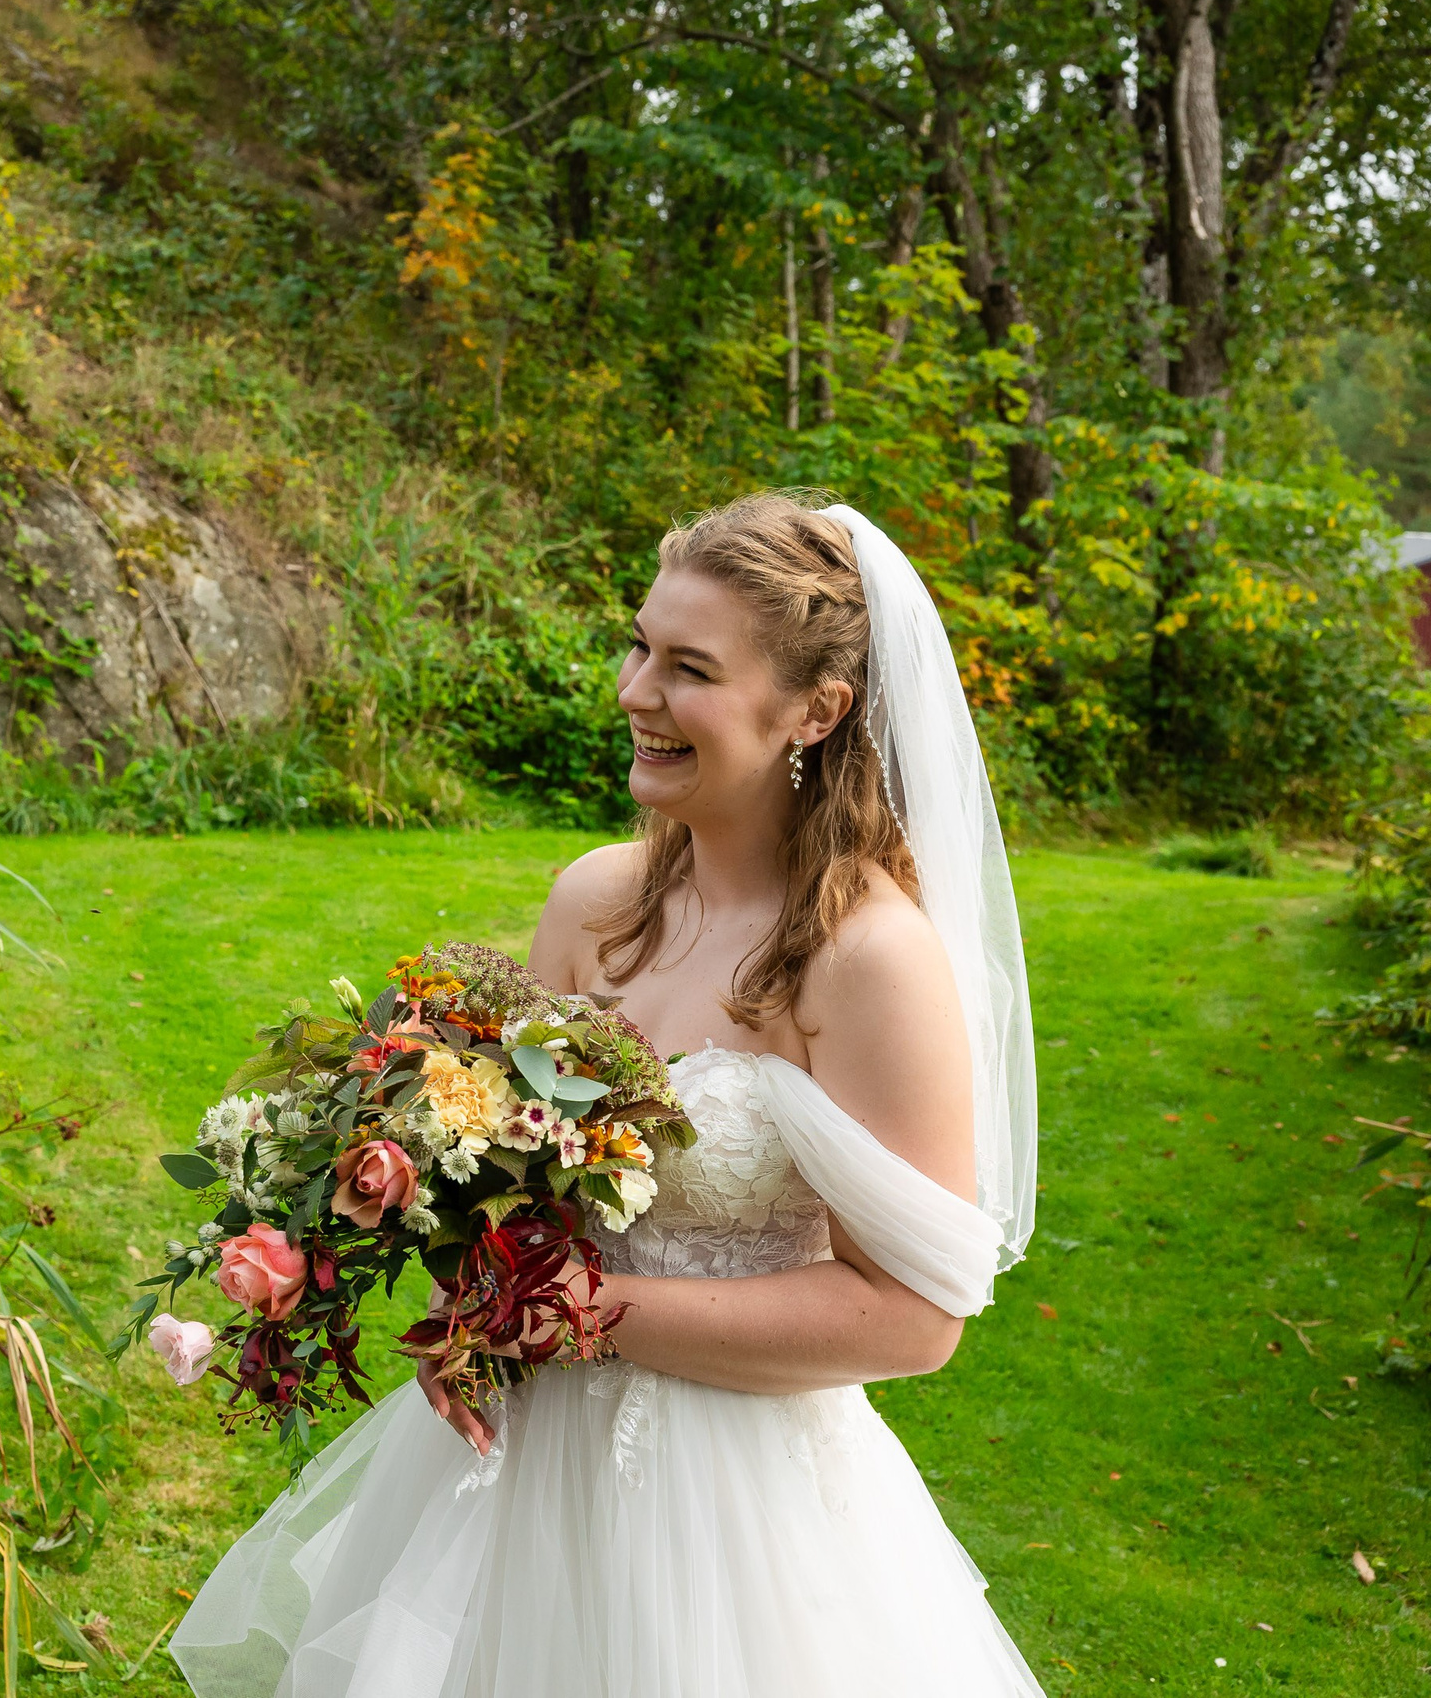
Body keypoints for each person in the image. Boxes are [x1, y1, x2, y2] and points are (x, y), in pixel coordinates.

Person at [170, 494, 1045, 1696]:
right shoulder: (594, 901)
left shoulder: (867, 959)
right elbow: (514, 1167)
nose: (635, 690)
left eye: (688, 668)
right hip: (513, 1467)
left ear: (816, 709)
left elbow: (912, 1317)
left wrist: (576, 1310)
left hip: (728, 1506)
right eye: (640, 645)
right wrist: (462, 1273)